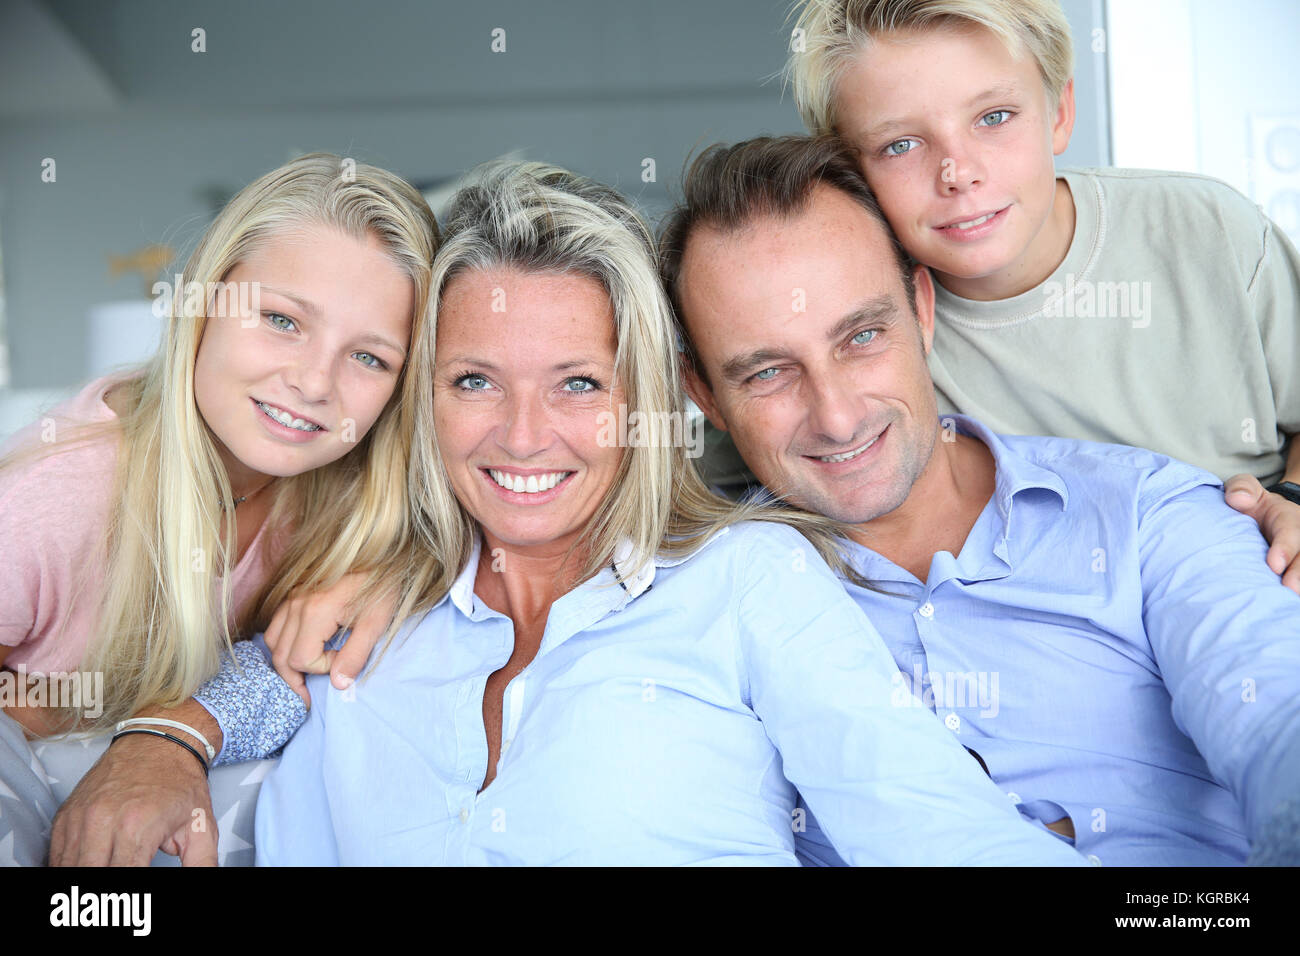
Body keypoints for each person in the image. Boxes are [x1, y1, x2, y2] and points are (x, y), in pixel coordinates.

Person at [253, 160, 1087, 866]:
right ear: (423, 401)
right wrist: (163, 741)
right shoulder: (364, 627)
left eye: (578, 383)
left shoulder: (745, 580)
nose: (524, 435)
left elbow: (949, 840)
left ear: (645, 400)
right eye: (475, 381)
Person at [657, 132, 1300, 865]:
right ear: (703, 393)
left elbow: (1280, 722)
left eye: (863, 336)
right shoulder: (698, 608)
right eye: (767, 373)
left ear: (922, 311)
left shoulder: (1146, 512)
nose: (836, 415)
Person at [688, 0, 1300, 591]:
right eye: (900, 144)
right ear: (849, 176)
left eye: (995, 117)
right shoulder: (859, 321)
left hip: (1249, 578)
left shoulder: (1209, 232)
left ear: (1059, 112)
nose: (959, 171)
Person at [0, 152, 444, 866]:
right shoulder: (59, 494)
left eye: (369, 358)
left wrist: (384, 577)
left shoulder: (356, 499)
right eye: (282, 319)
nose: (312, 382)